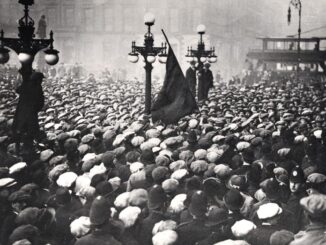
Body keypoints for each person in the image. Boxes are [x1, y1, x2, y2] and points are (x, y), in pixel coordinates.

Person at [12, 71, 45, 154]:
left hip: (21, 112)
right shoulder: (38, 87)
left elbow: (17, 90)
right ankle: (31, 148)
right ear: (38, 79)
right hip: (31, 114)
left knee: (19, 130)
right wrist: (35, 109)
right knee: (31, 131)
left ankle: (18, 148)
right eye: (41, 79)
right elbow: (41, 102)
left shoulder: (26, 85)